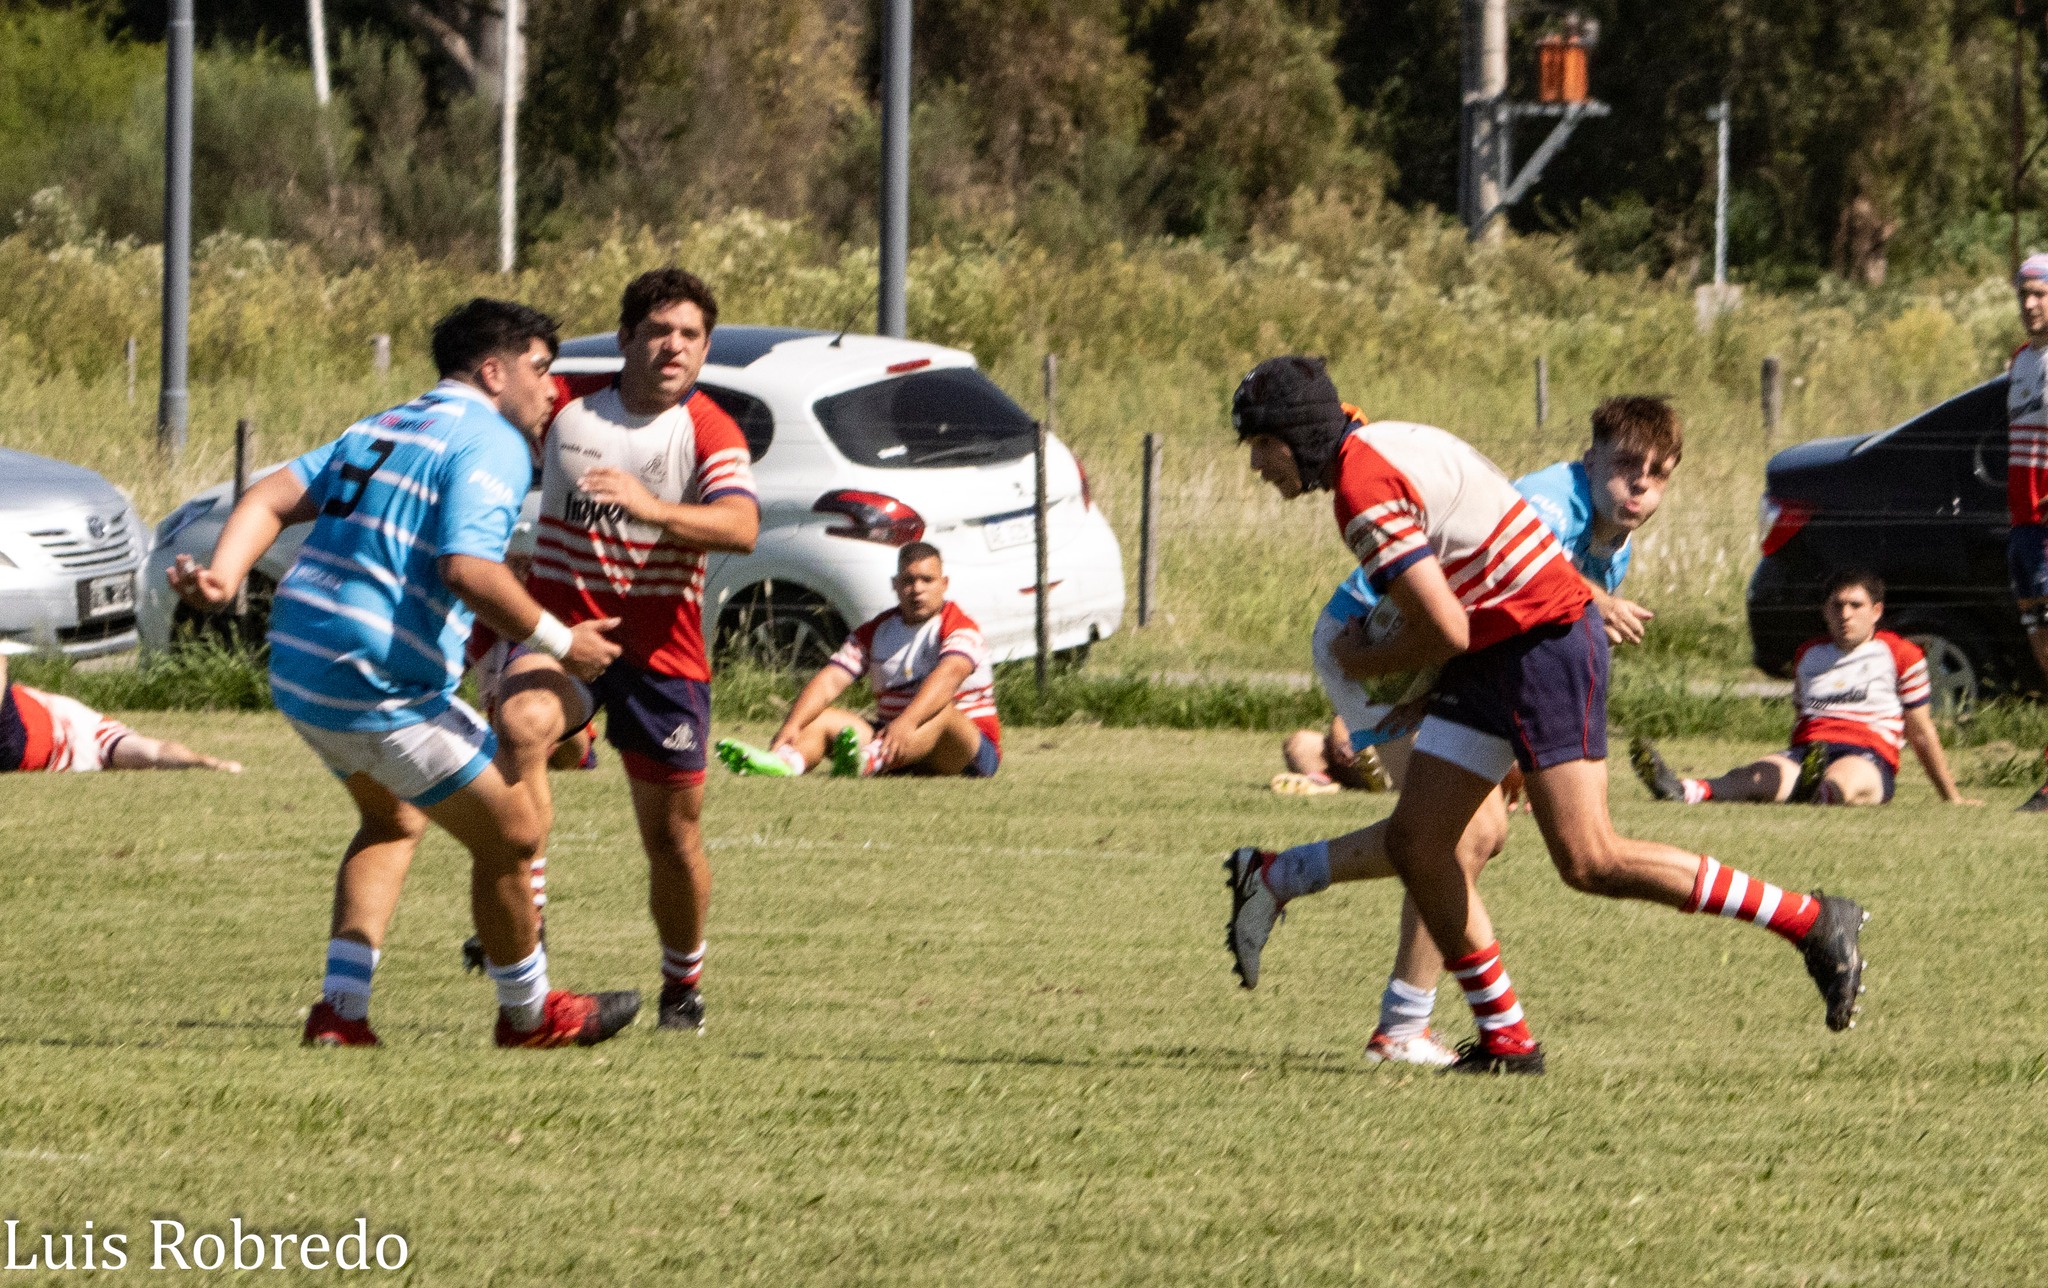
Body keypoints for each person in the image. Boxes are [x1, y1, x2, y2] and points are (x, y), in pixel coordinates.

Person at [1221, 355, 1867, 1074]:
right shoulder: (1387, 440)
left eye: (1257, 446)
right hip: (1503, 651)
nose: (1256, 465)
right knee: (1422, 842)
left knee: (1592, 860)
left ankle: (1810, 921)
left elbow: (1446, 627)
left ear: (1290, 439)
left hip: (1542, 649)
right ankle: (1504, 1039)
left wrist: (1360, 659)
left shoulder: (1362, 490)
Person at [168, 297, 640, 1050]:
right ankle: (529, 1016)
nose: (554, 391)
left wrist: (225, 579)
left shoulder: (384, 424)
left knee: (392, 820)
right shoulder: (490, 440)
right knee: (516, 834)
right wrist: (559, 639)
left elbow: (269, 494)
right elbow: (467, 569)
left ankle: (340, 1015)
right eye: (542, 371)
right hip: (374, 676)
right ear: (494, 371)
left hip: (298, 660)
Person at [1261, 394, 1684, 1066]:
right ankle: (1398, 1014)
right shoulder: (1554, 500)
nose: (1640, 482)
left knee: (1461, 836)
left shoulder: (1614, 545)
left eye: (1659, 472)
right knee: (1459, 836)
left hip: (1449, 656)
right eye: (1627, 463)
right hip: (1374, 641)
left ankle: (1298, 898)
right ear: (1589, 457)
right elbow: (1503, 579)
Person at [482, 268, 759, 1036]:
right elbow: (491, 406)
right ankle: (527, 928)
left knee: (672, 837)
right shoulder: (566, 404)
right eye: (660, 331)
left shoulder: (710, 431)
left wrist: (653, 508)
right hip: (565, 638)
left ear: (705, 348)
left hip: (663, 657)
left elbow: (740, 527)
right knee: (523, 727)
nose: (675, 346)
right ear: (628, 337)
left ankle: (683, 985)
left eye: (691, 335)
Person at [1633, 571, 1979, 808]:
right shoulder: (1809, 655)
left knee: (1841, 779)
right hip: (1808, 751)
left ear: (1876, 611)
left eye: (1855, 606)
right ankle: (1683, 790)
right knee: (1754, 776)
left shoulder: (1902, 654)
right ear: (1824, 612)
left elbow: (1921, 732)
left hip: (1868, 755)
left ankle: (1817, 791)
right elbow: (1802, 717)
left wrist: (1951, 797)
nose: (1845, 614)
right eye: (1836, 606)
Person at [715, 542, 1002, 781]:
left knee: (942, 711)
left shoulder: (959, 626)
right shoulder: (876, 631)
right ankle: (785, 761)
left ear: (944, 584)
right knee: (822, 718)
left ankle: (869, 759)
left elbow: (949, 676)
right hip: (896, 742)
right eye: (908, 580)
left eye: (927, 580)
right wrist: (792, 725)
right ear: (895, 585)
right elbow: (830, 680)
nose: (917, 589)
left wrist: (906, 723)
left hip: (965, 752)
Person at [0, 653, 241, 774]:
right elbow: (155, 751)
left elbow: (155, 753)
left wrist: (207, 762)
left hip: (21, 742)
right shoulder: (100, 731)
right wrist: (210, 762)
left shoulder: (101, 739)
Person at [2007, 254, 2048, 811]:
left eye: (2040, 294)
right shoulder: (2021, 361)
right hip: (2023, 527)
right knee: (2042, 653)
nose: (2030, 305)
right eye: (2024, 295)